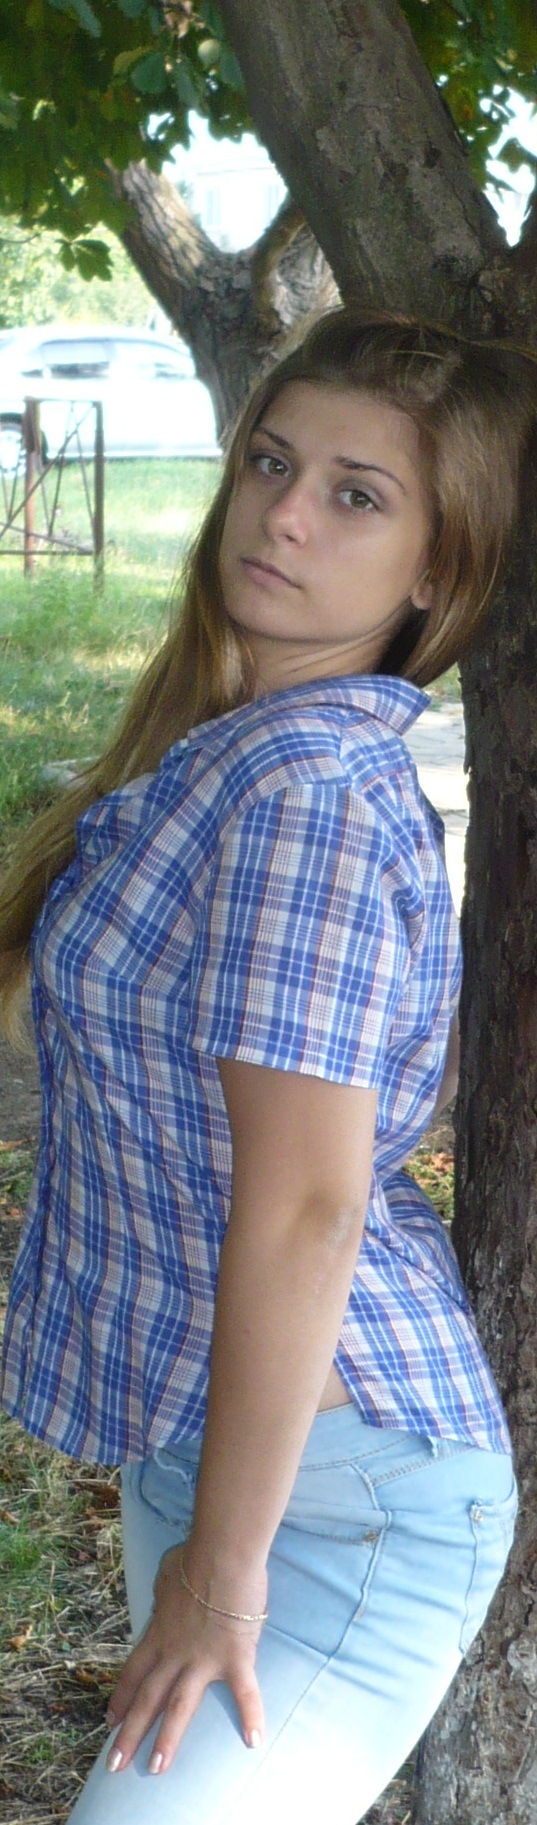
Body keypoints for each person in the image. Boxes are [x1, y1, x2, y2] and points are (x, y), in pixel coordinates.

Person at [0, 307, 535, 1825]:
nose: (285, 515)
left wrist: (222, 1582)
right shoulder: (234, 753)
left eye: (357, 495)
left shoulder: (304, 800)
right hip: (223, 1444)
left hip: (331, 1505)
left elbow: (307, 1207)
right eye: (272, 464)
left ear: (434, 569)